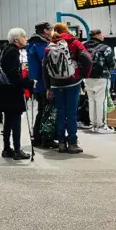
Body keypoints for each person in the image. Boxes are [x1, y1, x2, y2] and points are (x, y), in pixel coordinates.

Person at [43, 23, 92, 154]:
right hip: (72, 82)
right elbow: (87, 59)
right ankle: (72, 143)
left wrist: (48, 87)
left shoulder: (49, 47)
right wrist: (82, 75)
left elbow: (44, 68)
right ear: (66, 30)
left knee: (60, 112)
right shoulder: (74, 42)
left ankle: (61, 143)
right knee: (71, 113)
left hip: (55, 84)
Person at [0, 28, 35, 160]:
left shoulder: (5, 50)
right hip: (11, 91)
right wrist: (29, 83)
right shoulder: (13, 52)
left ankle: (7, 148)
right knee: (15, 121)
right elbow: (13, 75)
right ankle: (17, 150)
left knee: (8, 121)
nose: (25, 39)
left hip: (2, 90)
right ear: (16, 39)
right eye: (23, 36)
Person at [83, 29, 115, 133]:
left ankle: (93, 125)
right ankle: (101, 126)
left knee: (91, 101)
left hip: (87, 78)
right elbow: (111, 64)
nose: (103, 36)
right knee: (101, 101)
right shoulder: (105, 48)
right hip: (102, 78)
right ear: (97, 35)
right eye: (101, 34)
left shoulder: (84, 47)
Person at [27, 21, 52, 146]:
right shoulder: (40, 45)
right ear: (45, 31)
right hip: (43, 83)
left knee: (42, 110)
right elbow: (47, 60)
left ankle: (38, 137)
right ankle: (43, 138)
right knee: (45, 110)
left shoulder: (32, 44)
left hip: (37, 83)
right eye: (50, 29)